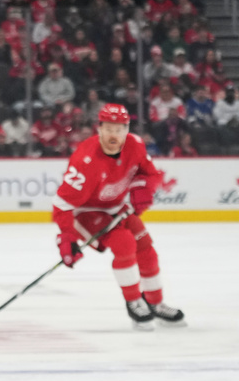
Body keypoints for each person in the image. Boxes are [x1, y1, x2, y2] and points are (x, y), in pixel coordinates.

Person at [53, 103, 186, 330]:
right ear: (99, 129)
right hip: (86, 212)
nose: (114, 134)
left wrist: (144, 187)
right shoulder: (85, 160)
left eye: (119, 129)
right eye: (109, 128)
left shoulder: (136, 145)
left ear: (127, 129)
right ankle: (134, 301)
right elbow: (62, 203)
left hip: (115, 207)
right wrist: (66, 237)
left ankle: (155, 303)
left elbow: (150, 174)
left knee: (146, 248)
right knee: (124, 244)